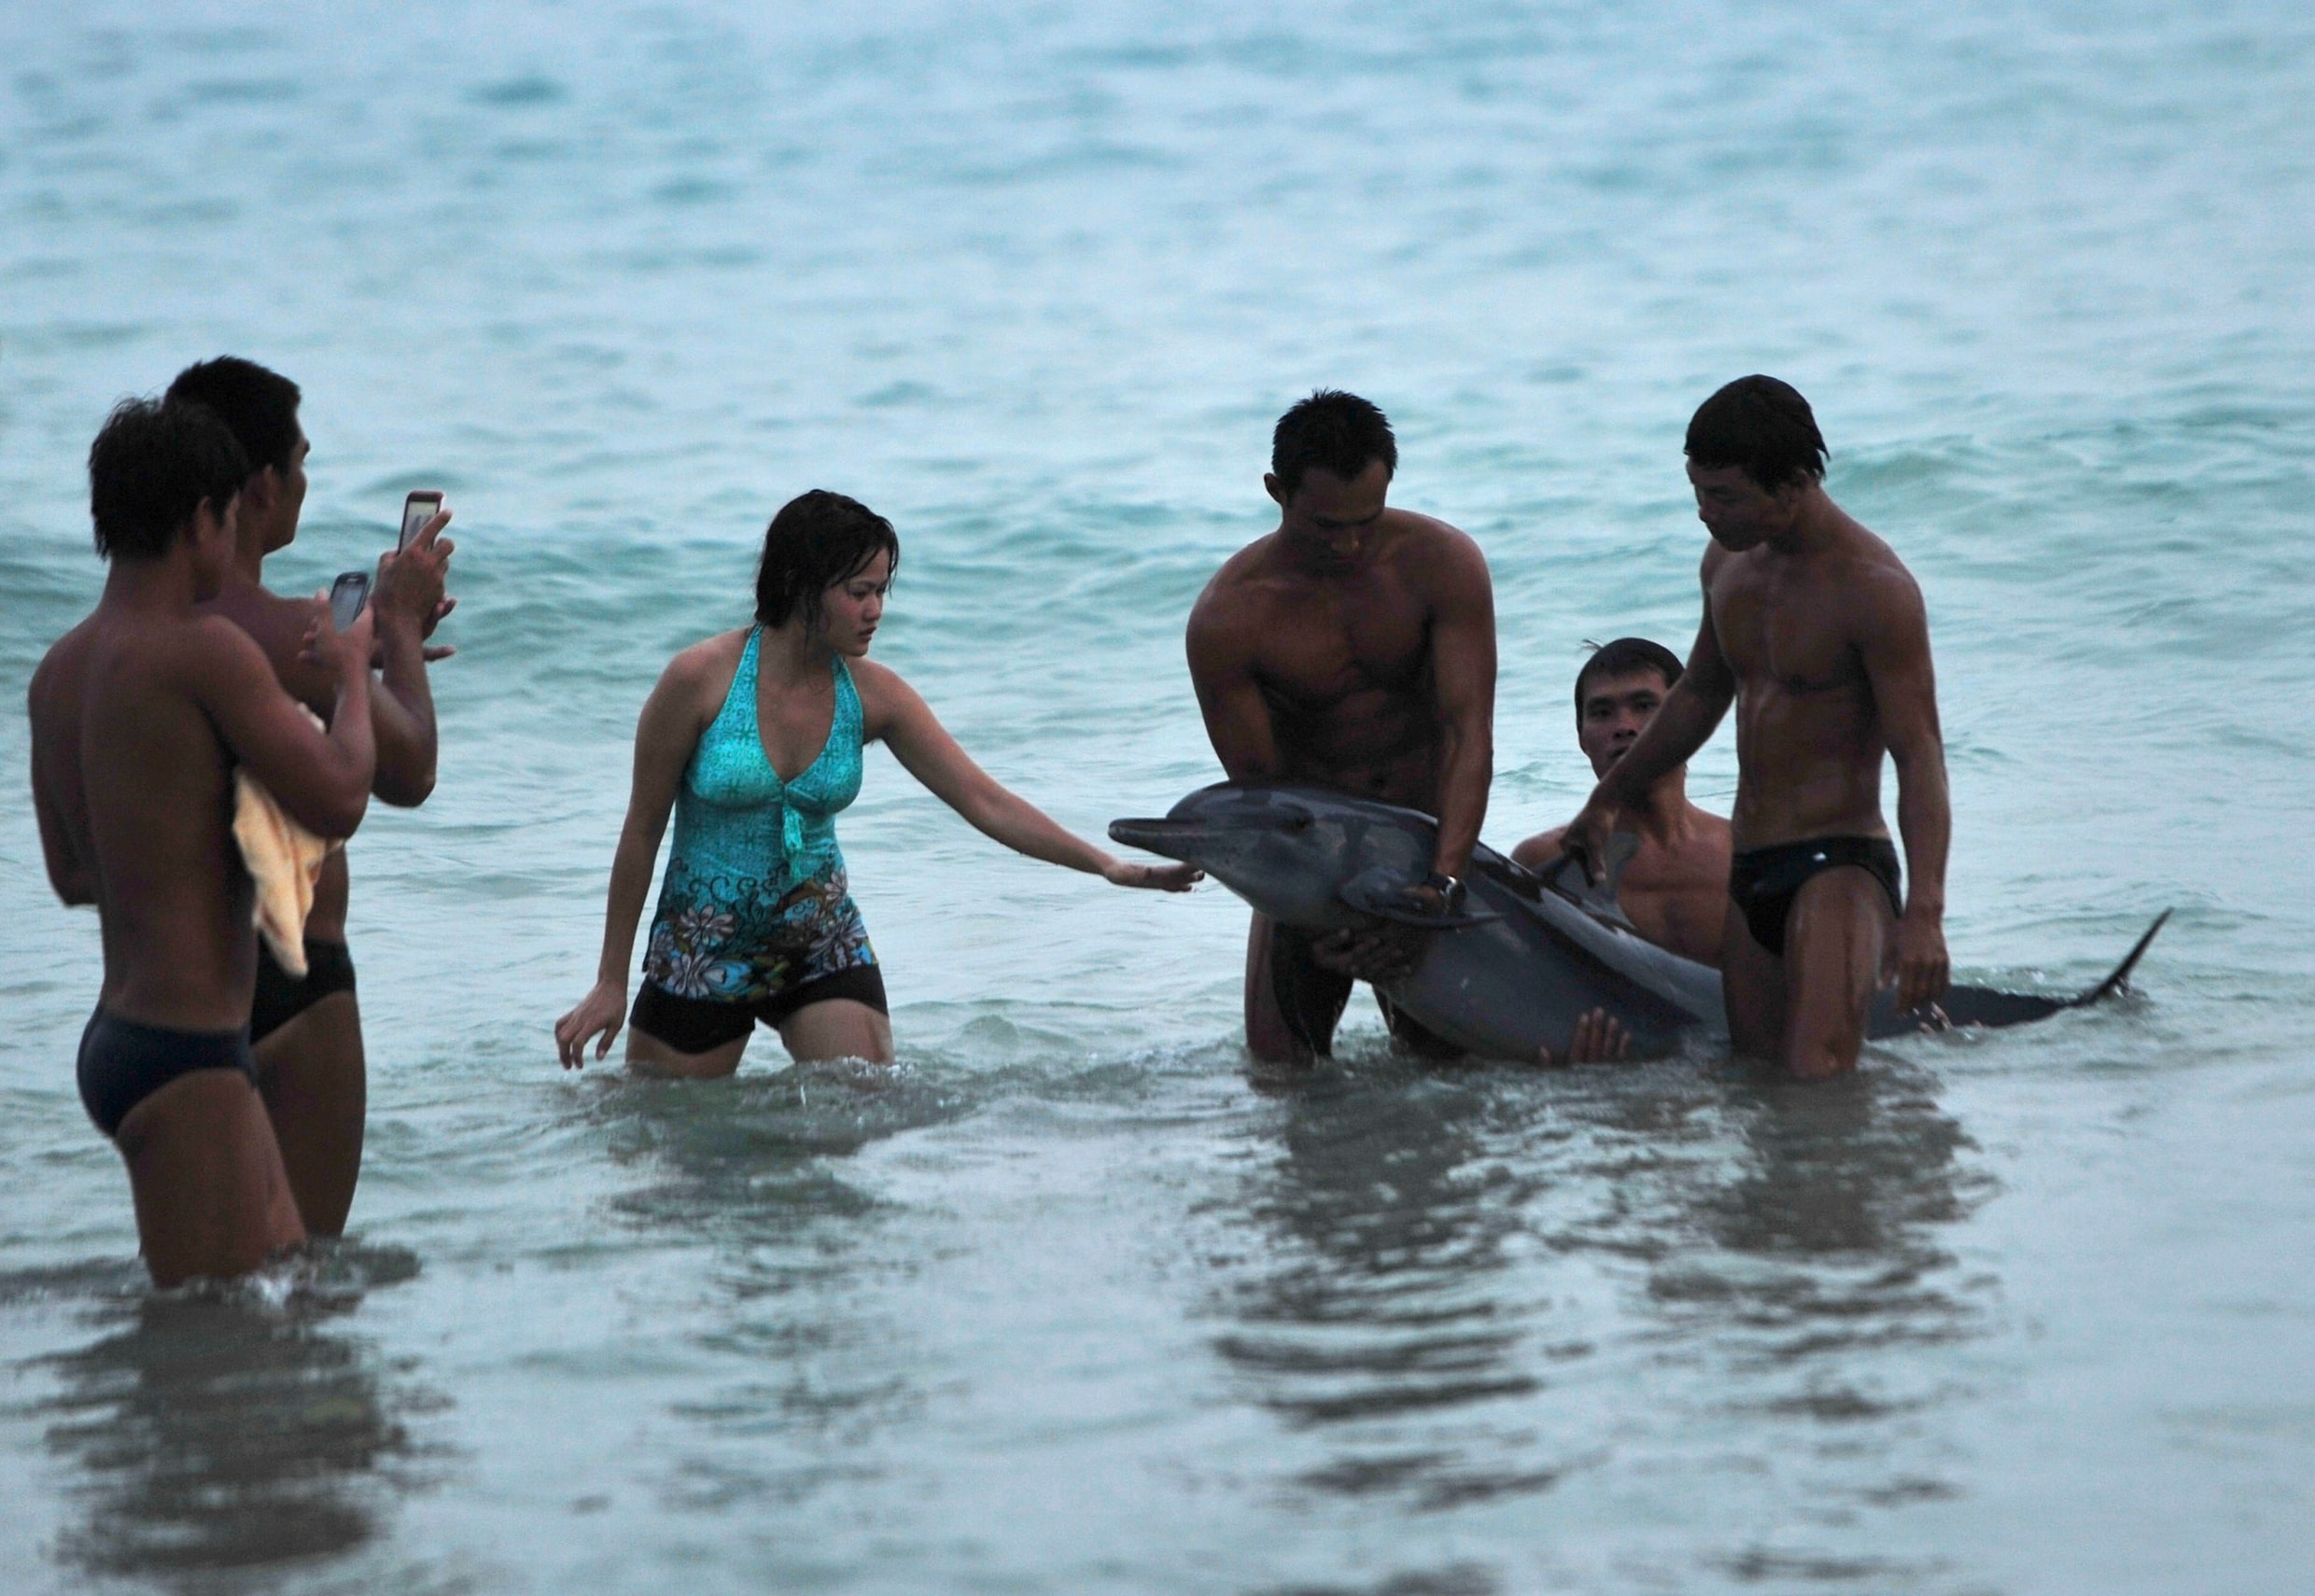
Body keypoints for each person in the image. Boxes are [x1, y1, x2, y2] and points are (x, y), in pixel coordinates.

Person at [554, 489, 1200, 1075]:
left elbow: (984, 800)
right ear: (801, 585)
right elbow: (641, 831)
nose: (874, 610)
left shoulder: (873, 695)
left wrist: (1106, 866)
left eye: (882, 591)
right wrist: (611, 979)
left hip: (822, 945)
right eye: (859, 592)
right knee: (676, 1160)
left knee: (862, 1120)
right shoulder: (699, 681)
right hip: (699, 956)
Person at [28, 399, 378, 1285]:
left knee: (294, 1296)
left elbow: (72, 875)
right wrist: (351, 675)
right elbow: (340, 795)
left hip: (128, 1037)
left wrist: (189, 857)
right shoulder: (202, 650)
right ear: (201, 521)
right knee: (214, 1351)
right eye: (231, 517)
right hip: (188, 1054)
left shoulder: (59, 671)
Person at [1561, 376, 1951, 1080]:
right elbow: (1698, 696)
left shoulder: (1874, 591)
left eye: (1726, 497)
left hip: (1838, 865)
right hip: (1753, 868)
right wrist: (1607, 797)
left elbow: (1920, 756)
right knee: (1755, 1085)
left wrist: (1925, 911)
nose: (1706, 515)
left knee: (1817, 1080)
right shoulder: (1727, 566)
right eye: (1699, 493)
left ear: (1795, 483)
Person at [164, 356, 454, 1239]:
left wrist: (355, 665)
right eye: (299, 464)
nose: (303, 482)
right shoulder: (290, 631)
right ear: (259, 487)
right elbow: (409, 772)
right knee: (308, 1274)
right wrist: (397, 631)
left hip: (173, 994)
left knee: (201, 1278)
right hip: (297, 984)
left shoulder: (147, 632)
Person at [1186, 390, 1495, 1063]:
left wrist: (1442, 886)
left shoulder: (1442, 564)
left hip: (1429, 853)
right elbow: (1266, 792)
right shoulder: (1229, 619)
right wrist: (1324, 911)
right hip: (1315, 871)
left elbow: (1468, 734)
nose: (1350, 543)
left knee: (1449, 1075)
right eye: (1326, 527)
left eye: (1368, 520)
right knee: (1281, 1075)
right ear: (1277, 491)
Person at [1513, 637, 1732, 967]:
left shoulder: (1740, 854)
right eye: (1602, 713)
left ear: (1687, 724)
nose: (1624, 727)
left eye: (1644, 705)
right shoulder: (1547, 864)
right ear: (1581, 738)